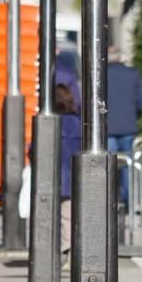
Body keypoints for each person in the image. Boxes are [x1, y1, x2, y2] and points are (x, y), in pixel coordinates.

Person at [106, 45, 142, 201]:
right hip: (128, 126)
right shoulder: (133, 74)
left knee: (109, 167)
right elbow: (141, 100)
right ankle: (127, 202)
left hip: (108, 127)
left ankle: (110, 201)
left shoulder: (102, 75)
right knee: (127, 167)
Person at [54, 83, 82, 256]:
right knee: (70, 215)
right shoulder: (79, 122)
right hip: (76, 176)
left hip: (59, 176)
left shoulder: (54, 123)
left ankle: (67, 249)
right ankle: (68, 248)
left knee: (64, 216)